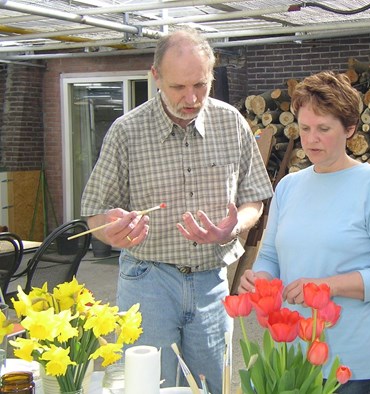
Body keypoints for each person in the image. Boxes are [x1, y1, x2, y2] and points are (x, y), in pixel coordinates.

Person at [80, 26, 273, 393]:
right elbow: (95, 214)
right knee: (149, 384)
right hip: (147, 280)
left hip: (212, 281)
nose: (191, 98)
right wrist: (112, 230)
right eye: (178, 87)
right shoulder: (127, 132)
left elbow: (254, 200)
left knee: (212, 384)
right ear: (155, 77)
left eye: (200, 85)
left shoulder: (231, 123)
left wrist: (233, 228)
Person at [238, 71, 370, 394]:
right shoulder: (288, 187)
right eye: (305, 128)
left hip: (360, 366)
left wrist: (326, 287)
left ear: (349, 129)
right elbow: (269, 256)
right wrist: (260, 279)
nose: (311, 139)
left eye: (323, 129)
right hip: (296, 362)